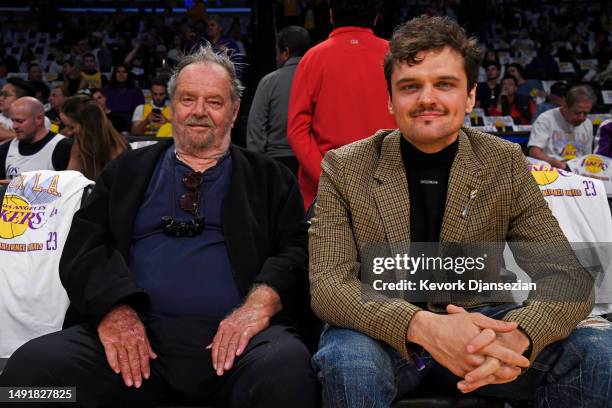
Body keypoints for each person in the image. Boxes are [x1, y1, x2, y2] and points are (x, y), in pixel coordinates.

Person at [310, 15, 607, 408]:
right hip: (381, 331)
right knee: (346, 358)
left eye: (444, 85)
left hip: (483, 325)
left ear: (469, 96)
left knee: (598, 351)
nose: (427, 99)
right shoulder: (345, 166)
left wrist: (519, 338)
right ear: (390, 99)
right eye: (410, 86)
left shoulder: (503, 161)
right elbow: (329, 286)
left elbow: (568, 279)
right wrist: (422, 326)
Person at [0, 45, 319, 408]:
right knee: (28, 374)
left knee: (286, 368)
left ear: (234, 111)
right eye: (188, 99)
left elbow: (298, 250)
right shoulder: (127, 171)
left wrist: (258, 305)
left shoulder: (269, 178)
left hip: (239, 344)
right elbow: (85, 248)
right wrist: (115, 311)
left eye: (214, 102)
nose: (199, 112)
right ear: (172, 106)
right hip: (132, 344)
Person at [287, 0, 396, 208]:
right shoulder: (395, 57)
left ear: (331, 15)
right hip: (385, 183)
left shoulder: (312, 59)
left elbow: (297, 131)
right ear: (375, 17)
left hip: (326, 190)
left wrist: (327, 178)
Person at [247, 26, 310, 175]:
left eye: (277, 52)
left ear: (285, 52)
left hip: (276, 161)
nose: (276, 57)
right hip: (311, 160)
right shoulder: (319, 79)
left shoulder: (269, 81)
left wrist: (257, 164)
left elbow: (256, 127)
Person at [59, 94, 129, 181]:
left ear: (89, 125)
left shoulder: (120, 153)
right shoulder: (79, 144)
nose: (68, 133)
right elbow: (69, 181)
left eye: (72, 127)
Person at [0, 97, 71, 180]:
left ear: (39, 119)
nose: (14, 126)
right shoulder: (5, 149)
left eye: (19, 121)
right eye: (13, 121)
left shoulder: (64, 147)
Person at [528, 84, 596, 169]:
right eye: (577, 113)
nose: (582, 118)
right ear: (565, 105)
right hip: (552, 170)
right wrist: (561, 165)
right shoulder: (546, 119)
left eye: (585, 113)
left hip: (578, 173)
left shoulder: (587, 123)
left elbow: (587, 156)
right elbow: (534, 152)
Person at [0, 78, 37, 143]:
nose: (1, 98)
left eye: (6, 95)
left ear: (21, 99)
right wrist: (20, 136)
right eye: (1, 94)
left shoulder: (38, 119)